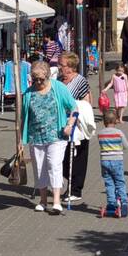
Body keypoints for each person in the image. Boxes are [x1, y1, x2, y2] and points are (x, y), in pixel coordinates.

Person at [19, 60, 78, 214]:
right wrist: (21, 139)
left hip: (56, 134)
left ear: (48, 76)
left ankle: (57, 201)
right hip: (35, 135)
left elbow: (74, 107)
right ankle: (43, 200)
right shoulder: (29, 93)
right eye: (35, 79)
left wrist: (70, 124)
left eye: (41, 79)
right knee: (39, 167)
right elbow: (24, 118)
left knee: (54, 164)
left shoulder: (58, 88)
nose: (38, 82)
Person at [58, 52, 94, 204]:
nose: (60, 67)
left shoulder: (80, 81)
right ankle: (69, 183)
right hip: (62, 124)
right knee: (63, 158)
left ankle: (75, 190)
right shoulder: (59, 80)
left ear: (71, 67)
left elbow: (87, 104)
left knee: (77, 158)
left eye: (62, 65)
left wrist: (76, 115)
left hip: (77, 125)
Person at [97, 105, 128, 218]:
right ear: (116, 120)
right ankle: (124, 204)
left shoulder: (100, 134)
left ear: (104, 121)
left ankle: (111, 204)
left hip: (105, 162)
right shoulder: (119, 133)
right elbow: (126, 145)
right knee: (120, 182)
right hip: (117, 161)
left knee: (109, 183)